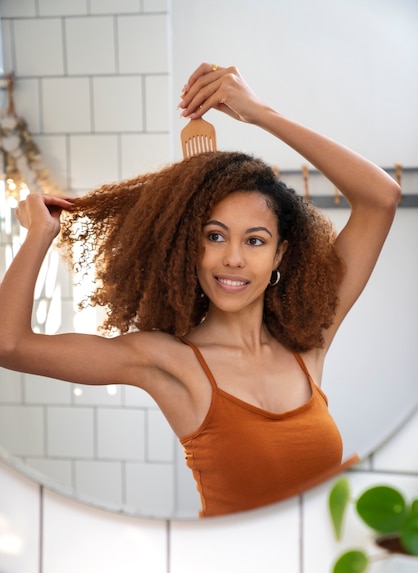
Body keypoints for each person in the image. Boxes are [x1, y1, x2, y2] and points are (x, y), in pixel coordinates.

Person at [0, 63, 400, 517]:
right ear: (189, 249)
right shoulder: (166, 361)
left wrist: (259, 113)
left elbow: (380, 198)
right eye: (214, 236)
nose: (233, 258)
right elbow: (9, 345)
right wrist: (37, 236)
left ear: (280, 255)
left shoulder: (308, 342)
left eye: (255, 240)